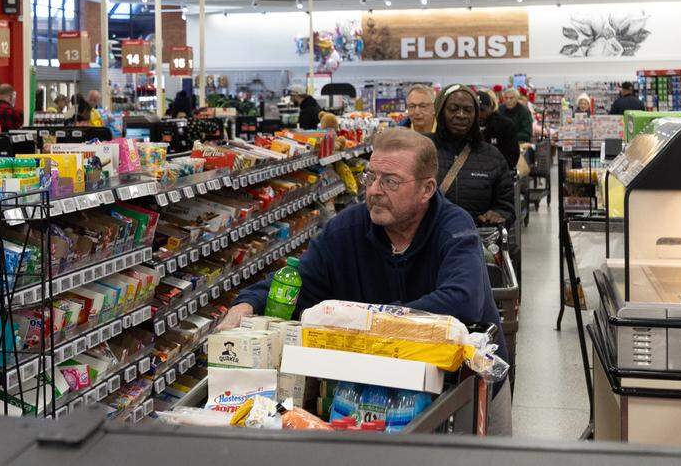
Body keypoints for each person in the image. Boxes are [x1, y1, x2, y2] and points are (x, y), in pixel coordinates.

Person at [218, 129, 510, 434]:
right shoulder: (347, 229)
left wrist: (368, 321)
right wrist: (249, 302)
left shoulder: (454, 227)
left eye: (391, 181)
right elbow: (300, 281)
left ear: (426, 189)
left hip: (463, 388)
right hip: (371, 388)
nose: (374, 191)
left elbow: (463, 301)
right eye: (371, 177)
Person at [429, 85, 515, 228]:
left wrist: (498, 214)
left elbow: (506, 206)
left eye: (468, 110)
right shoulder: (422, 149)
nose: (461, 115)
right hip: (428, 243)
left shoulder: (493, 157)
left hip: (475, 243)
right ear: (440, 111)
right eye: (453, 109)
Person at [478, 90, 520, 170]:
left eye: (482, 110)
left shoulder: (505, 125)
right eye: (474, 109)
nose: (478, 114)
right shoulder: (468, 125)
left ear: (491, 107)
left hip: (497, 173)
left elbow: (512, 157)